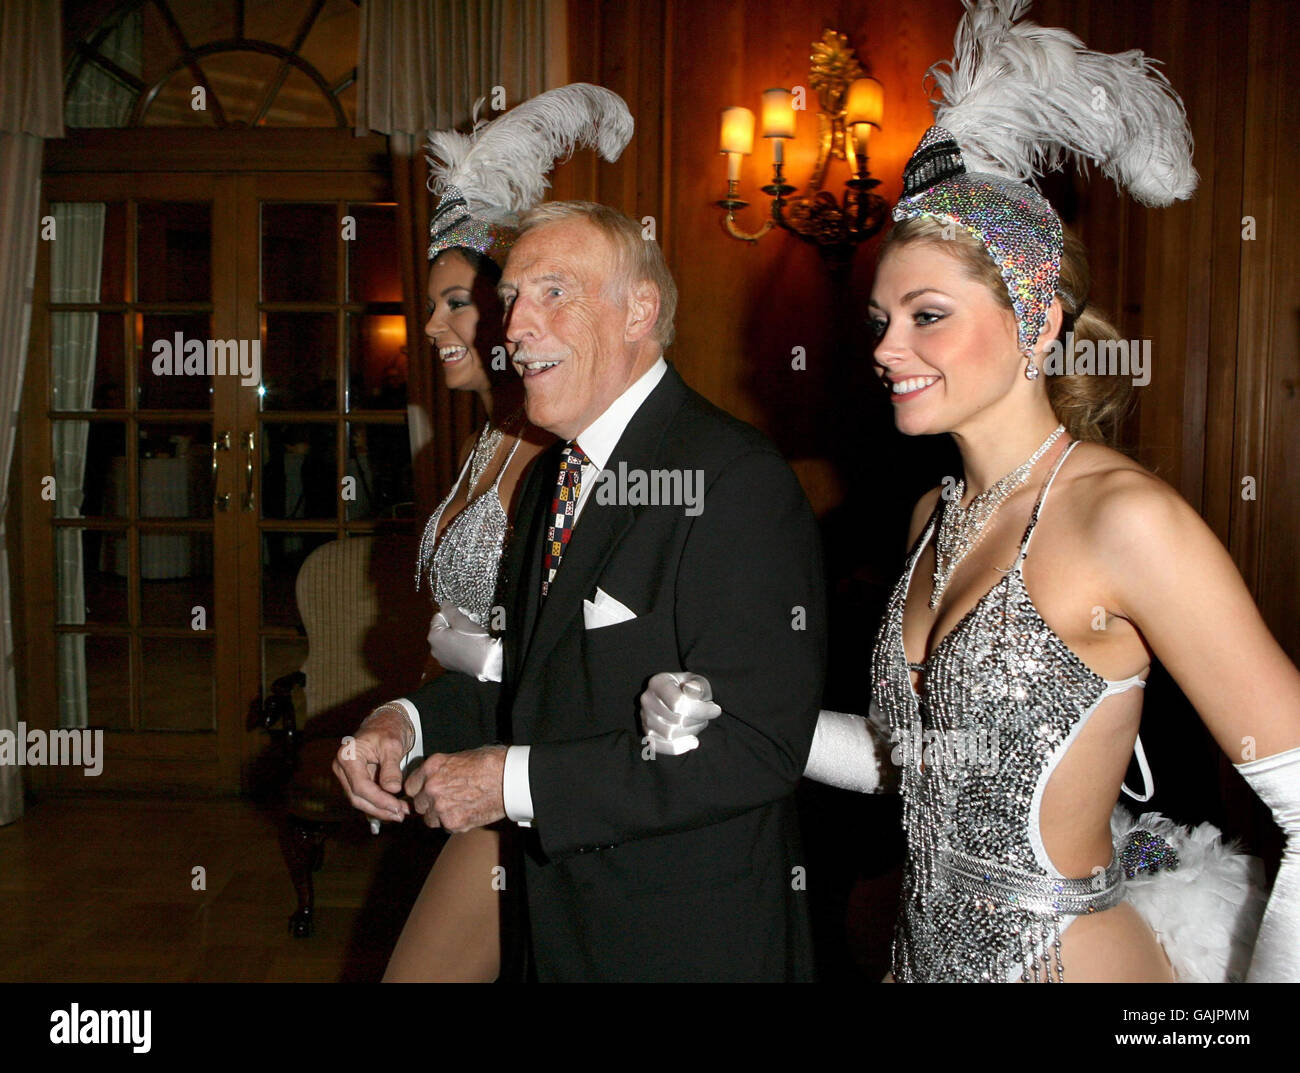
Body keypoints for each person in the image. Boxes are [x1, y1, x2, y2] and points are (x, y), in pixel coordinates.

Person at [642, 0, 1300, 983]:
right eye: (880, 317)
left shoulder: (1126, 518)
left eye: (928, 315)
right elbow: (923, 761)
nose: (886, 348)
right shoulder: (932, 517)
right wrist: (737, 716)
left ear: (1036, 322)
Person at [335, 85, 633, 981]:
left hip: (531, 778)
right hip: (458, 757)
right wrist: (408, 721)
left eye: (455, 302)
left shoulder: (577, 451)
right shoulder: (487, 442)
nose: (431, 325)